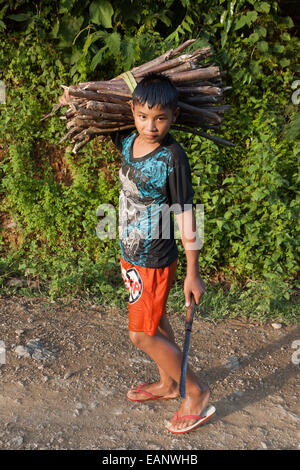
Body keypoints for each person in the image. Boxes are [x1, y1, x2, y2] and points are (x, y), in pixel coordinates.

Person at [59, 73, 215, 434]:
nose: (151, 126)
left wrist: (193, 271)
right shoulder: (128, 140)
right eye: (144, 116)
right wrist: (77, 100)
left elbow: (187, 213)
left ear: (174, 116)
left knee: (141, 335)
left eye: (160, 118)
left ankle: (196, 391)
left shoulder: (172, 158)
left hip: (155, 260)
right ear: (131, 111)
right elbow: (94, 117)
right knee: (157, 322)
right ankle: (168, 383)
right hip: (129, 253)